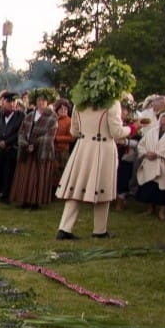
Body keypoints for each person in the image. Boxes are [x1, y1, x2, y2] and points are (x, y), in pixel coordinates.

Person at [54, 56, 135, 239]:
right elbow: (116, 131)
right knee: (103, 189)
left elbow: (74, 131)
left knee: (75, 189)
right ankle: (99, 230)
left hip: (82, 148)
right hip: (102, 149)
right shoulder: (112, 103)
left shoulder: (80, 104)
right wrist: (132, 128)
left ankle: (65, 228)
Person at [11, 89, 60, 208]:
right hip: (27, 150)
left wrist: (35, 144)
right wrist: (25, 143)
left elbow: (50, 135)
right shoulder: (29, 116)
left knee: (38, 177)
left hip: (42, 151)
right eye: (39, 100)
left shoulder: (52, 117)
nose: (41, 103)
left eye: (43, 100)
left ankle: (36, 201)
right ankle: (24, 199)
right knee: (25, 176)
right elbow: (21, 132)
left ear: (47, 102)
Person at [0, 91, 23, 203]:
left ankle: (6, 196)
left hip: (11, 148)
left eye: (14, 102)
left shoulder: (20, 116)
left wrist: (7, 142)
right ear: (3, 103)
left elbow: (20, 132)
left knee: (9, 173)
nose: (12, 104)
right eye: (9, 102)